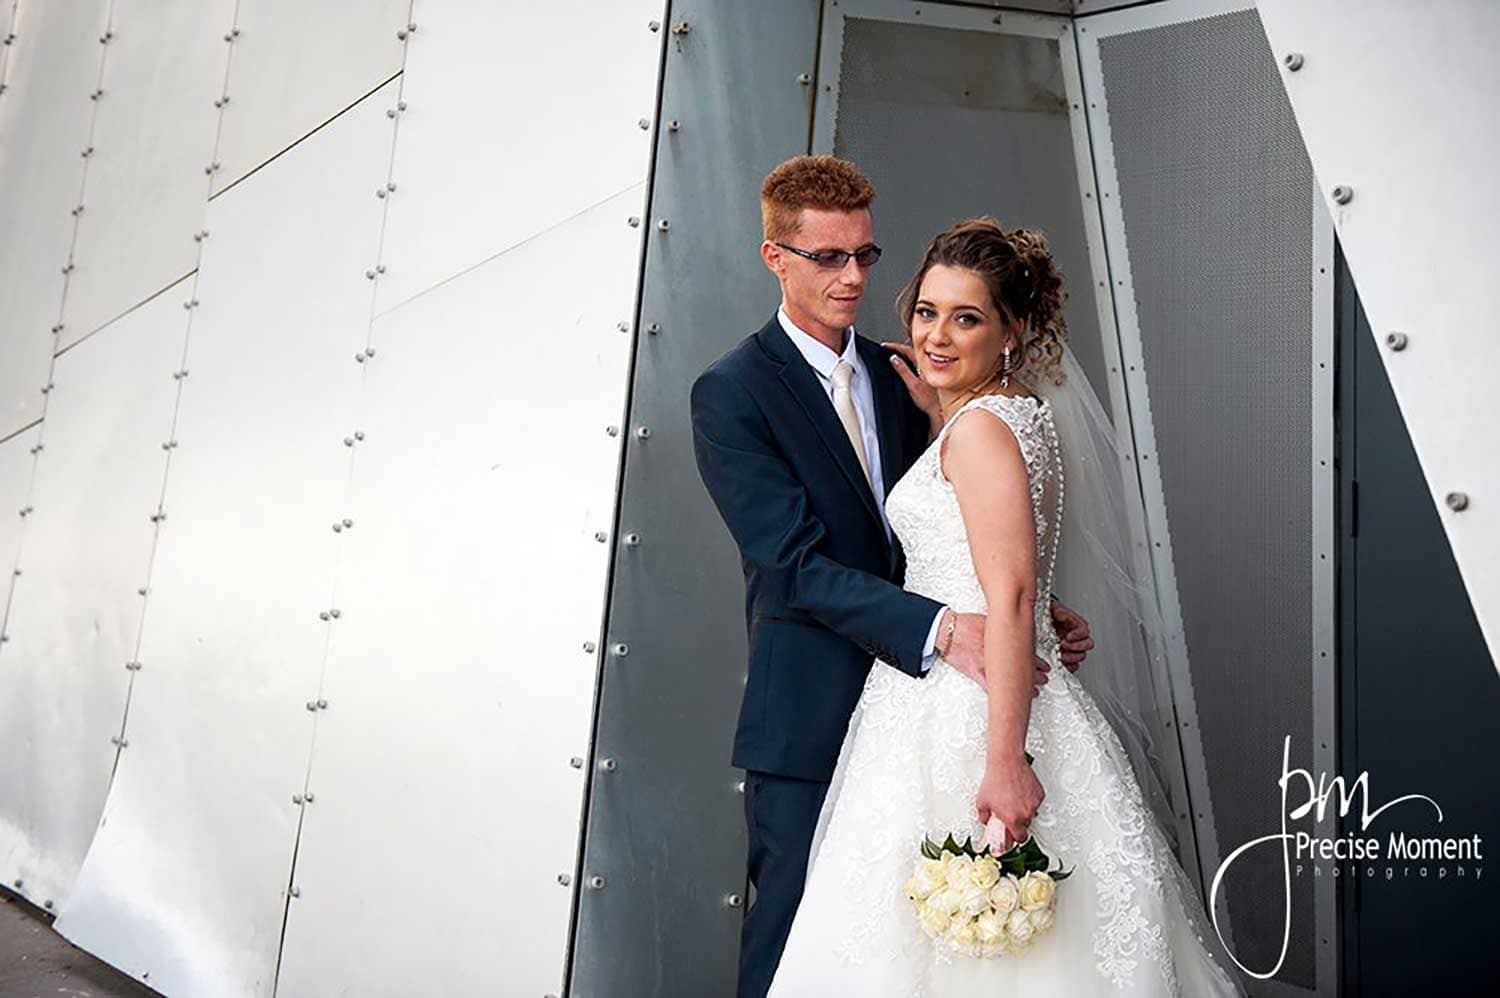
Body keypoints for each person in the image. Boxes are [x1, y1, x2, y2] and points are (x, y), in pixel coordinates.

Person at [764, 218, 1246, 995]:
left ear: (1012, 331)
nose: (936, 335)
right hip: (975, 687)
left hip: (969, 706)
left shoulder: (981, 432)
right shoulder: (1010, 413)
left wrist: (1005, 764)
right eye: (927, 311)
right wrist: (937, 415)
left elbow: (1012, 595)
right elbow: (997, 555)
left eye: (967, 318)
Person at [689, 156, 1095, 998]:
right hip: (812, 712)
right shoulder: (732, 393)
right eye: (828, 258)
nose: (852, 277)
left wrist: (1028, 604)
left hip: (927, 719)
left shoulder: (905, 371)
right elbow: (794, 565)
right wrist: (946, 627)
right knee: (797, 945)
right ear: (775, 257)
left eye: (865, 255)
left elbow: (942, 524)